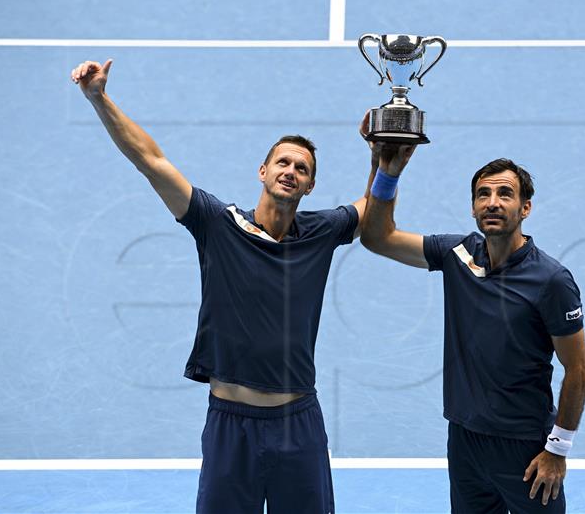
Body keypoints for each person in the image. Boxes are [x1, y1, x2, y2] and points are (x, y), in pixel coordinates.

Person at [71, 59, 380, 513]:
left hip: (299, 421)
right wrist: (99, 99)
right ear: (263, 170)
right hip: (229, 424)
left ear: (310, 185)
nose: (290, 170)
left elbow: (374, 209)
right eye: (282, 162)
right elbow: (152, 161)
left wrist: (384, 160)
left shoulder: (322, 231)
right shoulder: (217, 223)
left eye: (301, 167)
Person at [360, 135, 585, 513]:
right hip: (465, 441)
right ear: (473, 208)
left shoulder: (551, 281)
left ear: (525, 208)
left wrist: (558, 450)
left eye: (505, 194)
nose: (493, 203)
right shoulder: (458, 254)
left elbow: (579, 371)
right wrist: (388, 172)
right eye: (483, 194)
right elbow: (377, 237)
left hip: (525, 449)